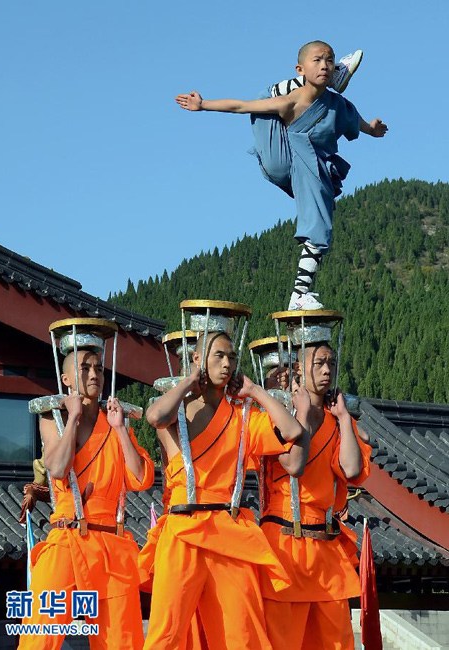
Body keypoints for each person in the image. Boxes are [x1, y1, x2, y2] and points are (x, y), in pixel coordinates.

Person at [175, 40, 388, 310]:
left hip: (312, 166)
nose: (324, 64)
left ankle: (300, 293)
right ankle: (333, 76)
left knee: (321, 225)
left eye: (330, 61)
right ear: (300, 69)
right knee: (264, 99)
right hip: (280, 155)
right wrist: (203, 105)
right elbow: (241, 106)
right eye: (318, 61)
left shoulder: (338, 106)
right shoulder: (289, 102)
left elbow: (355, 120)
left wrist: (371, 129)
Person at [141, 330, 310, 650]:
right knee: (167, 633)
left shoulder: (245, 416)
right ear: (197, 359)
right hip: (183, 530)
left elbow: (292, 431)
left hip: (230, 531)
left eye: (231, 357)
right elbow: (154, 416)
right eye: (218, 355)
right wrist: (190, 381)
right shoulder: (178, 411)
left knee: (241, 635)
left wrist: (255, 390)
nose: (226, 363)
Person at [19, 343, 155, 649]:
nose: (94, 374)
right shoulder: (52, 417)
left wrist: (120, 430)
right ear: (66, 379)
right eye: (85, 368)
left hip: (111, 543)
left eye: (99, 369)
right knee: (38, 638)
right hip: (66, 537)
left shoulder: (116, 420)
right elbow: (56, 467)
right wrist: (73, 418)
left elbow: (141, 478)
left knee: (122, 641)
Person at [258, 341, 371, 650]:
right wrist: (302, 415)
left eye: (331, 363)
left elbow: (350, 469)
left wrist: (346, 418)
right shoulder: (278, 415)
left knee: (336, 641)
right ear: (298, 368)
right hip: (284, 541)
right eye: (319, 362)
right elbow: (293, 464)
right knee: (281, 640)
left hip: (325, 547)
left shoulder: (339, 421)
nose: (326, 370)